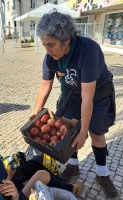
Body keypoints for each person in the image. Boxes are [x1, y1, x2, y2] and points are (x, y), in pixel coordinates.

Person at [33, 11, 117, 198]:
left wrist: (83, 131)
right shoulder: (50, 58)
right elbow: (44, 86)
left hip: (97, 95)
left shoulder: (88, 51)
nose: (48, 50)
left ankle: (103, 174)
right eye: (45, 45)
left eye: (51, 45)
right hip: (72, 93)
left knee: (96, 133)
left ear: (67, 40)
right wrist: (36, 115)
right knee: (67, 129)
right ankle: (72, 166)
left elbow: (88, 97)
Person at [0, 138, 83, 200]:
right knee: (41, 174)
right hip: (12, 193)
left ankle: (69, 188)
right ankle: (71, 189)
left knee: (33, 167)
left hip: (8, 190)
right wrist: (13, 193)